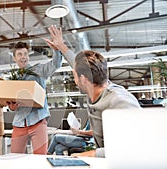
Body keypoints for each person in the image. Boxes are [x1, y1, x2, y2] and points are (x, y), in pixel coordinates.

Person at [44, 25, 141, 157]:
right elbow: (76, 64)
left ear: (83, 79)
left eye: (74, 76)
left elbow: (136, 146)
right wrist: (61, 46)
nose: (75, 80)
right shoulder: (94, 88)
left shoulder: (119, 101)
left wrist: (89, 155)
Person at [7, 42, 62, 154]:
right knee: (14, 158)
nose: (23, 57)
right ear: (14, 58)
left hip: (38, 120)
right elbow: (10, 103)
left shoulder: (39, 70)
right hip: (19, 123)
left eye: (25, 54)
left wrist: (56, 50)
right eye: (20, 54)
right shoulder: (13, 78)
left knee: (40, 159)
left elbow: (55, 64)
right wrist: (12, 107)